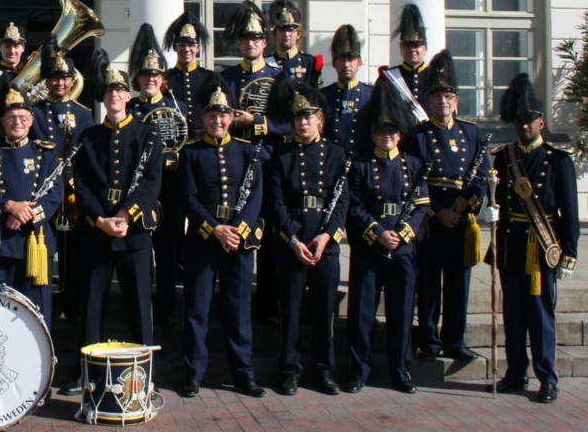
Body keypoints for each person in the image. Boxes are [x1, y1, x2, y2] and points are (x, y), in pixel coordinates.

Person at [61, 50, 162, 395]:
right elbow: (82, 184)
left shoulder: (148, 135)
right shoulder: (89, 138)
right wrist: (100, 219)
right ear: (103, 98)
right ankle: (86, 374)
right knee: (92, 306)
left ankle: (143, 376)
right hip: (98, 232)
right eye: (109, 91)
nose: (114, 95)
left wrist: (124, 216)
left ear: (129, 96)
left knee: (139, 305)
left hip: (134, 232)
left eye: (120, 91)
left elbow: (151, 182)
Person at [489, 74, 579, 404]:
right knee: (512, 313)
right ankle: (516, 373)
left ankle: (547, 377)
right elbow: (496, 198)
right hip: (512, 243)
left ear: (541, 121)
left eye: (530, 120)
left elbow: (569, 209)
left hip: (541, 248)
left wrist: (569, 251)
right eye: (519, 120)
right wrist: (490, 213)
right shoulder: (504, 157)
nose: (524, 126)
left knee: (541, 315)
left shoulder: (558, 160)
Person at [179, 73, 265, 399]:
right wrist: (214, 228)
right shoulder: (193, 152)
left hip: (238, 242)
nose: (218, 120)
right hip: (204, 239)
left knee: (238, 310)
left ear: (231, 118)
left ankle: (243, 374)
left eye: (223, 115)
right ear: (203, 118)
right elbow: (188, 197)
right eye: (212, 115)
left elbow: (256, 195)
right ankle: (193, 374)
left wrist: (238, 230)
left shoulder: (247, 152)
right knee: (197, 310)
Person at [344, 79, 429, 395]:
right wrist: (378, 232)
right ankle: (358, 371)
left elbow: (422, 206)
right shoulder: (361, 166)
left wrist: (403, 235)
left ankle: (400, 370)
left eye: (392, 133)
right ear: (373, 135)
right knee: (362, 312)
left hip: (403, 248)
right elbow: (354, 204)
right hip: (371, 246)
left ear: (400, 135)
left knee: (402, 311)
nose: (387, 138)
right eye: (381, 133)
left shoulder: (413, 165)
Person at [268, 83, 348, 396]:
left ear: (320, 120)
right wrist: (293, 239)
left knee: (324, 309)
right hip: (295, 237)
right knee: (291, 309)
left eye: (309, 116)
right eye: (298, 117)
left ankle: (323, 369)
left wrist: (327, 237)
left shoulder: (336, 153)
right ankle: (289, 370)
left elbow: (342, 202)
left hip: (324, 238)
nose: (303, 122)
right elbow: (276, 202)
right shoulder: (282, 155)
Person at [411, 50, 489, 363]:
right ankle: (429, 340)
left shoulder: (471, 133)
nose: (442, 102)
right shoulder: (418, 136)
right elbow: (412, 178)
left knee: (459, 283)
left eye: (447, 96)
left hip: (461, 217)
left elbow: (482, 175)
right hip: (433, 216)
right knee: (429, 283)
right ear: (428, 102)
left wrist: (464, 203)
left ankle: (455, 340)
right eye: (436, 97)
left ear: (456, 100)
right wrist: (438, 210)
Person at [0, 85, 62, 327]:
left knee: (36, 314)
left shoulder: (46, 153)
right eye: (11, 117)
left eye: (22, 117)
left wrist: (25, 214)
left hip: (36, 241)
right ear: (2, 121)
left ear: (31, 120)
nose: (17, 122)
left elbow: (54, 194)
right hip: (0, 243)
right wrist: (8, 207)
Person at [220, 0, 284, 324]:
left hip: (268, 164)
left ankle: (269, 306)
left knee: (269, 239)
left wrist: (257, 121)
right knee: (233, 232)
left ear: (264, 42)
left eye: (256, 38)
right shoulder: (227, 77)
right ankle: (232, 305)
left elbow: (288, 122)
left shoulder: (278, 76)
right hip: (234, 166)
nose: (250, 43)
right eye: (245, 39)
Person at [126, 23, 190, 328]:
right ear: (137, 80)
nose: (150, 79)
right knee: (138, 256)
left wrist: (172, 157)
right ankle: (139, 309)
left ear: (162, 80)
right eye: (145, 75)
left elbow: (187, 150)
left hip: (168, 191)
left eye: (155, 75)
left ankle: (165, 310)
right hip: (137, 193)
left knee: (167, 253)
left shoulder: (178, 107)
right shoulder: (129, 108)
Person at [30, 42, 92, 324]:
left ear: (71, 81)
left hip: (71, 192)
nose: (59, 82)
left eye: (64, 77)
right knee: (43, 247)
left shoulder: (82, 113)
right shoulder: (35, 112)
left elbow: (88, 154)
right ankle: (45, 303)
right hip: (42, 190)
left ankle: (73, 303)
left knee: (74, 252)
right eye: (54, 77)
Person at [320, 24, 374, 157]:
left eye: (351, 59)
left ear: (359, 63)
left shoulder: (372, 95)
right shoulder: (323, 95)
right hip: (332, 162)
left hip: (362, 164)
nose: (346, 65)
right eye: (342, 59)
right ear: (334, 63)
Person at [162, 11, 210, 135]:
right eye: (181, 45)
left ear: (198, 48)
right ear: (175, 47)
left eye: (191, 45)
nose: (186, 49)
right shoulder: (165, 78)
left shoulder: (211, 78)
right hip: (174, 140)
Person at [268, 0, 323, 88]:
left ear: (298, 34)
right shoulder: (267, 63)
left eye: (290, 30)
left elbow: (317, 95)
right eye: (282, 30)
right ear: (275, 34)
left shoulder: (309, 62)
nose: (286, 34)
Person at [391, 3, 430, 115]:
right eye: (407, 45)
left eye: (416, 45)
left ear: (425, 49)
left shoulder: (434, 76)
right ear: (401, 49)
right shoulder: (388, 78)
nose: (412, 50)